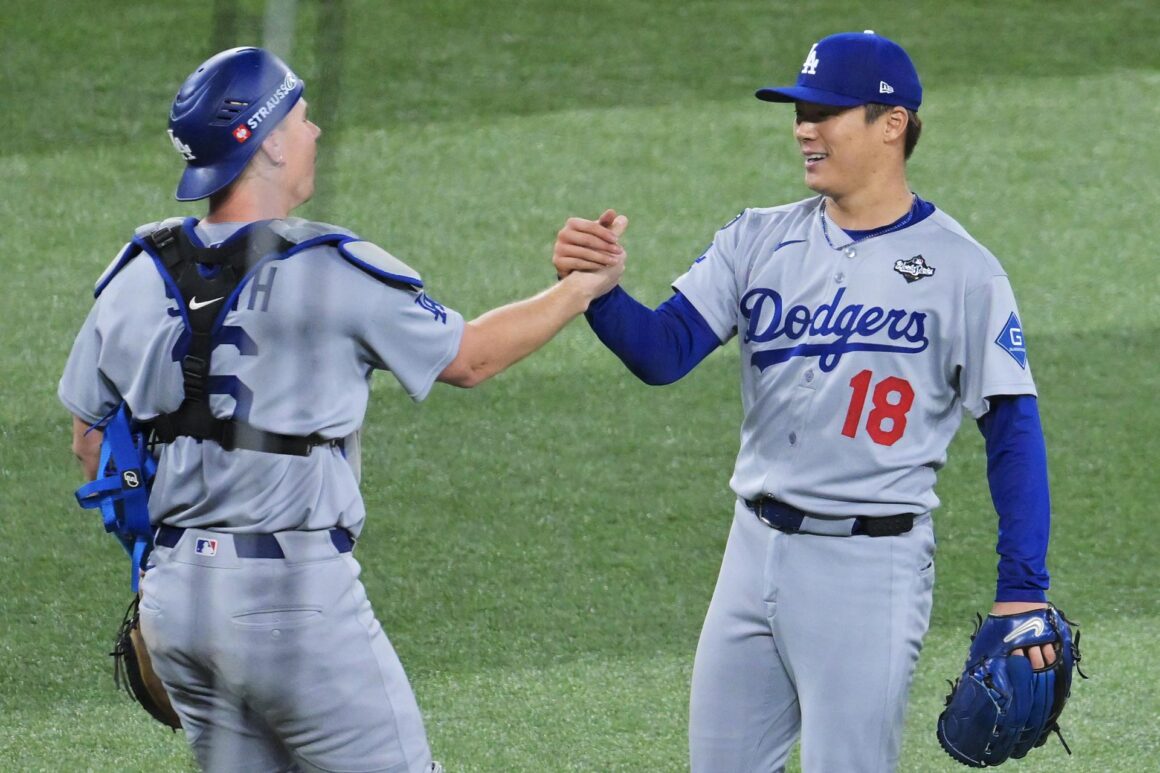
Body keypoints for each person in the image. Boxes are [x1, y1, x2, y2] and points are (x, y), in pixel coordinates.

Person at [60, 47, 623, 773]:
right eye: (301, 118)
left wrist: (165, 562)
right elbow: (472, 358)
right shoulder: (330, 267)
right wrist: (580, 288)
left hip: (175, 602)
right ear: (267, 144)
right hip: (291, 602)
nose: (315, 131)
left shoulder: (133, 272)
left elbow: (90, 443)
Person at [553, 31, 1057, 773]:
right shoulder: (756, 238)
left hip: (869, 569)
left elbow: (1013, 429)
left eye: (825, 113)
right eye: (799, 112)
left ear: (892, 124)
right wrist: (597, 292)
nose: (803, 129)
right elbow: (664, 352)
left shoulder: (964, 271)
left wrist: (1023, 589)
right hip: (750, 551)